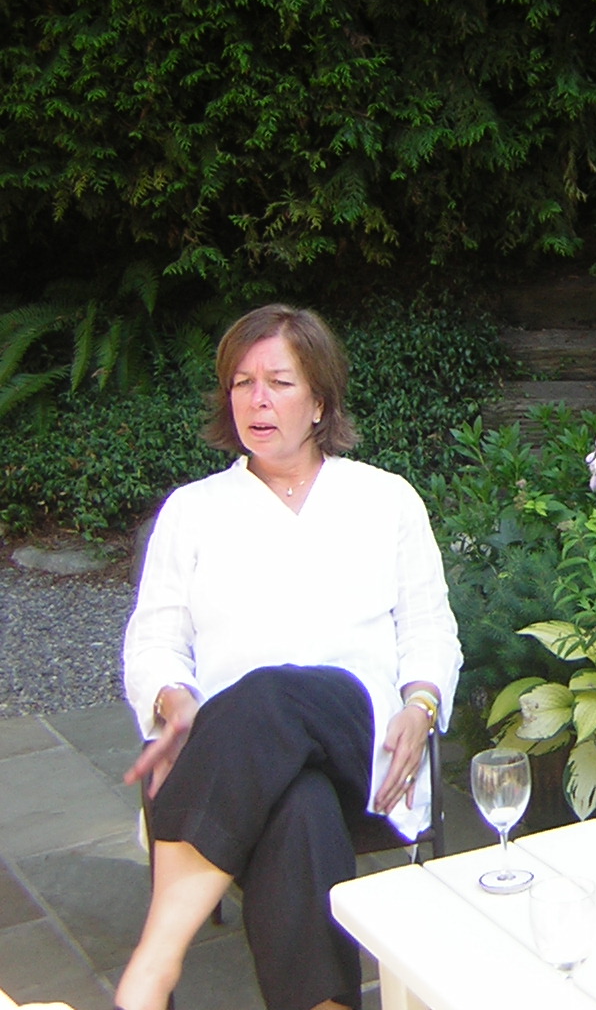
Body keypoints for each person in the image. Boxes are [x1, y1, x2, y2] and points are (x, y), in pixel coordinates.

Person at [117, 305, 463, 1010]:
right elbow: (153, 641)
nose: (257, 400)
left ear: (321, 402)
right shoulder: (193, 510)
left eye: (278, 382)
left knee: (275, 694)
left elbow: (431, 628)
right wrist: (176, 702)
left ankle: (154, 962)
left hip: (363, 740)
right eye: (242, 383)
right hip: (241, 759)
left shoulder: (384, 499)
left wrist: (422, 704)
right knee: (298, 807)